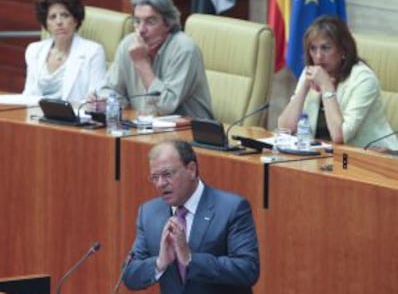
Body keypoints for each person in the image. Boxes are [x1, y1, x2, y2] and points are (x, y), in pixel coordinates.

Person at [122, 140, 260, 294]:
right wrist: (159, 263)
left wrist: (190, 259)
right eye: (155, 177)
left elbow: (248, 269)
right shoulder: (149, 213)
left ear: (191, 170)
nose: (160, 183)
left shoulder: (231, 208)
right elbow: (129, 275)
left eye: (167, 174)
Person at [278, 15, 398, 149]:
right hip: (324, 157)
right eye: (313, 48)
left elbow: (340, 136)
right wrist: (303, 89)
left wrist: (326, 87)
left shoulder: (363, 79)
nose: (318, 56)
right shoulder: (311, 73)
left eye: (325, 48)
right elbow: (285, 129)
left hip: (373, 159)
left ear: (343, 50)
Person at [96, 0, 214, 119]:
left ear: (168, 24)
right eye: (137, 21)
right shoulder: (128, 44)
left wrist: (141, 63)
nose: (141, 30)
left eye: (150, 22)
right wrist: (102, 99)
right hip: (144, 126)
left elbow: (165, 106)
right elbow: (110, 89)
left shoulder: (185, 49)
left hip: (188, 131)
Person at [22, 0, 106, 102]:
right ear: (46, 24)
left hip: (74, 117)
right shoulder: (34, 50)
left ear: (75, 20)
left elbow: (95, 100)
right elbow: (28, 95)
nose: (59, 22)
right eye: (52, 17)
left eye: (65, 15)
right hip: (35, 117)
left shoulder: (93, 52)